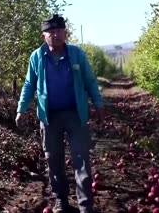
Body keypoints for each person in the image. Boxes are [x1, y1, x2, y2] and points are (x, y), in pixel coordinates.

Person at [15, 14, 105, 213]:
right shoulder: (37, 57)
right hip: (50, 117)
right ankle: (61, 200)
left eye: (59, 31)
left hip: (76, 114)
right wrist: (21, 109)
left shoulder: (77, 54)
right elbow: (29, 84)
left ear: (65, 33)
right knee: (53, 159)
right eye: (51, 32)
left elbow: (90, 80)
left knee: (81, 160)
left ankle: (85, 206)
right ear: (43, 36)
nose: (56, 35)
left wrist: (98, 104)